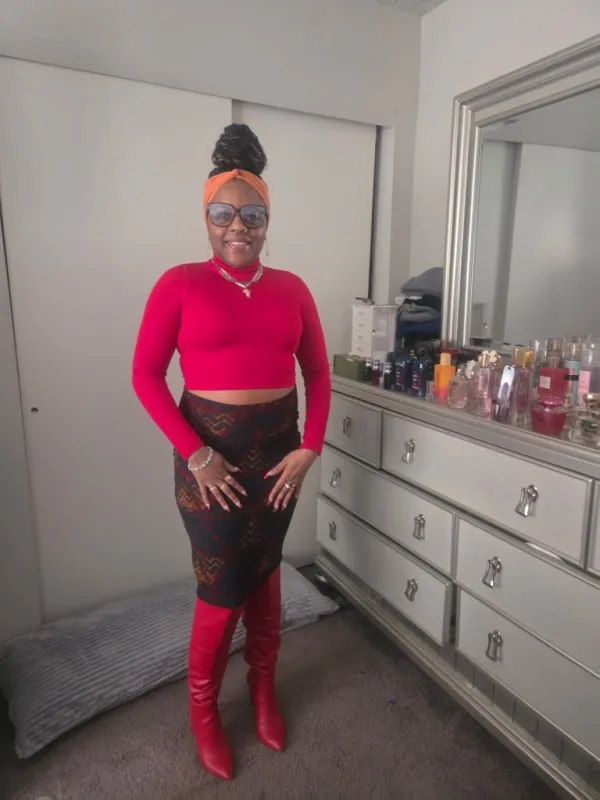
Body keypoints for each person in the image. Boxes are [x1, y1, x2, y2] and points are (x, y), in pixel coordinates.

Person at [132, 123, 331, 781]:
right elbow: (145, 375)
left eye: (252, 215)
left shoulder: (293, 288)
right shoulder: (179, 283)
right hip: (209, 464)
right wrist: (196, 454)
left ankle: (264, 690)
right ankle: (204, 713)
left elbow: (319, 373)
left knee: (267, 572)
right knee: (221, 589)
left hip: (278, 460)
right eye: (223, 214)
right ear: (206, 218)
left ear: (267, 221)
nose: (237, 227)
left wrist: (310, 446)